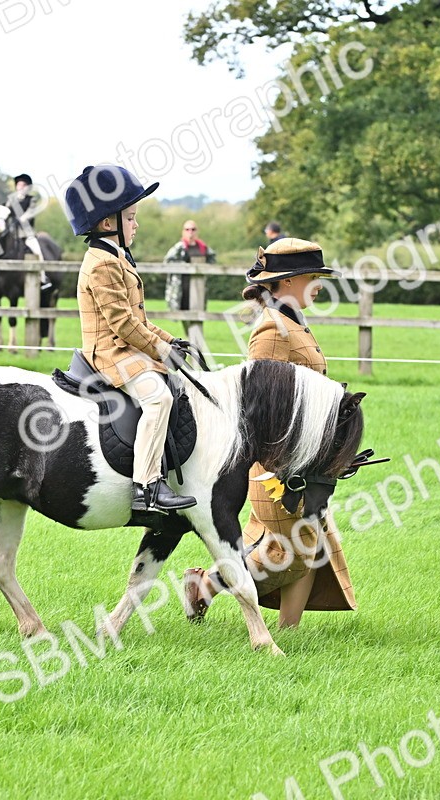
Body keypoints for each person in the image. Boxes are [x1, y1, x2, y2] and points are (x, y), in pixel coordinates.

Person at [182, 237, 355, 628]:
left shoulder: (293, 321)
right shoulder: (273, 330)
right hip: (277, 462)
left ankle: (288, 631)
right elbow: (259, 400)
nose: (319, 285)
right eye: (313, 276)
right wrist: (281, 457)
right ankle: (207, 585)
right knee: (285, 553)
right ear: (289, 281)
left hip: (305, 456)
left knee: (309, 545)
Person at [65, 164, 195, 513]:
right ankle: (147, 487)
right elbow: (122, 324)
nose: (137, 224)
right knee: (158, 399)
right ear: (109, 223)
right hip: (109, 353)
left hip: (125, 348)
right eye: (131, 218)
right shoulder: (102, 264)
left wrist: (172, 341)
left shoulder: (115, 256)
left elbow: (140, 319)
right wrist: (161, 349)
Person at [163, 219, 216, 312]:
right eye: (187, 229)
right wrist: (183, 266)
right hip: (182, 287)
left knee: (198, 312)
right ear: (183, 232)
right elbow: (167, 262)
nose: (190, 232)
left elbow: (212, 259)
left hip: (199, 286)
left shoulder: (203, 247)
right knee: (184, 312)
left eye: (193, 229)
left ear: (197, 231)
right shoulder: (179, 248)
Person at [6, 173, 45, 260]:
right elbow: (6, 211)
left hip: (26, 233)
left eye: (24, 185)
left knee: (38, 251)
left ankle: (42, 272)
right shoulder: (11, 200)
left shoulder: (32, 199)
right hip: (11, 232)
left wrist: (22, 218)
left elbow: (30, 213)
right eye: (19, 185)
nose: (21, 187)